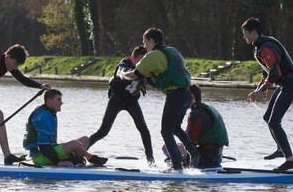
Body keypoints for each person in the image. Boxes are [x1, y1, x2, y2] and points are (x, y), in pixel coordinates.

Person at [119, 27, 199, 171]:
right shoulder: (172, 51)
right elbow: (160, 78)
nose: (144, 46)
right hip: (187, 94)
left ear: (151, 40)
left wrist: (122, 73)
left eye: (145, 42)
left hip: (174, 96)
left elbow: (132, 75)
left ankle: (177, 166)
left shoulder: (153, 55)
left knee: (165, 131)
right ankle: (193, 152)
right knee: (174, 128)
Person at [241, 18, 293, 171]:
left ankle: (290, 160)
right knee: (268, 118)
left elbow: (275, 73)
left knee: (274, 122)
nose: (244, 37)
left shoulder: (265, 47)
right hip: (284, 84)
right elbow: (266, 74)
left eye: (246, 34)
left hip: (290, 84)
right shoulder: (259, 47)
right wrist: (258, 89)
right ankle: (281, 150)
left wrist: (261, 91)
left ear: (254, 32)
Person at [88, 45, 155, 165]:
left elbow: (155, 83)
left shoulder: (145, 68)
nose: (141, 64)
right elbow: (123, 73)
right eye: (139, 61)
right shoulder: (124, 64)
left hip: (132, 101)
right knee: (103, 131)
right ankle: (82, 152)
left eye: (144, 61)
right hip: (116, 101)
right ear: (132, 58)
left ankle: (150, 160)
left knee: (143, 129)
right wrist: (131, 75)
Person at [23, 89, 108, 166]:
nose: (61, 103)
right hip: (39, 157)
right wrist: (59, 162)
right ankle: (91, 158)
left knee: (85, 139)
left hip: (47, 153)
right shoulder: (44, 116)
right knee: (75, 144)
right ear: (49, 101)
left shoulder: (47, 112)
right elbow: (43, 145)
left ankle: (73, 158)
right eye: (58, 100)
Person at [162, 84, 230, 168]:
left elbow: (190, 140)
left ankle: (178, 166)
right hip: (215, 156)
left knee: (165, 148)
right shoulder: (206, 108)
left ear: (192, 97)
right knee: (175, 147)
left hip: (208, 159)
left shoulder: (195, 114)